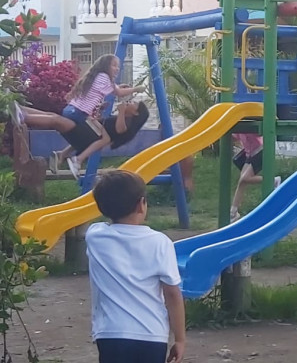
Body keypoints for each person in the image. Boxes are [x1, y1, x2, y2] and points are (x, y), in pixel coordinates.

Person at [87, 170, 186, 363]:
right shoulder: (160, 242)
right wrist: (180, 339)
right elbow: (172, 293)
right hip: (151, 334)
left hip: (111, 333)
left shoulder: (95, 236)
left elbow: (100, 224)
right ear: (141, 205)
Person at [58, 54, 146, 175]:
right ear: (106, 66)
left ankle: (63, 154)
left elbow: (116, 91)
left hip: (74, 110)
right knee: (103, 138)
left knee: (90, 136)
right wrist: (135, 89)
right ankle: (77, 160)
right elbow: (119, 92)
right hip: (78, 112)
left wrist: (116, 95)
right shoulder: (104, 77)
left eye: (118, 66)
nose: (117, 68)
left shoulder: (99, 76)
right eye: (114, 65)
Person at [13, 101, 150, 179]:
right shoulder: (123, 120)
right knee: (54, 117)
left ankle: (23, 117)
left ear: (136, 113)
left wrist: (120, 112)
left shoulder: (127, 126)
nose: (129, 102)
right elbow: (103, 126)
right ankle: (20, 108)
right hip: (87, 135)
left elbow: (116, 130)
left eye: (133, 103)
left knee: (56, 121)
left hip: (88, 136)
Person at [230, 133, 282, 221]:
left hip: (260, 151)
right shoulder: (238, 129)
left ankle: (274, 180)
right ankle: (233, 212)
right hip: (249, 154)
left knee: (245, 178)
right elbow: (234, 138)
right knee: (242, 181)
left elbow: (260, 133)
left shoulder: (249, 126)